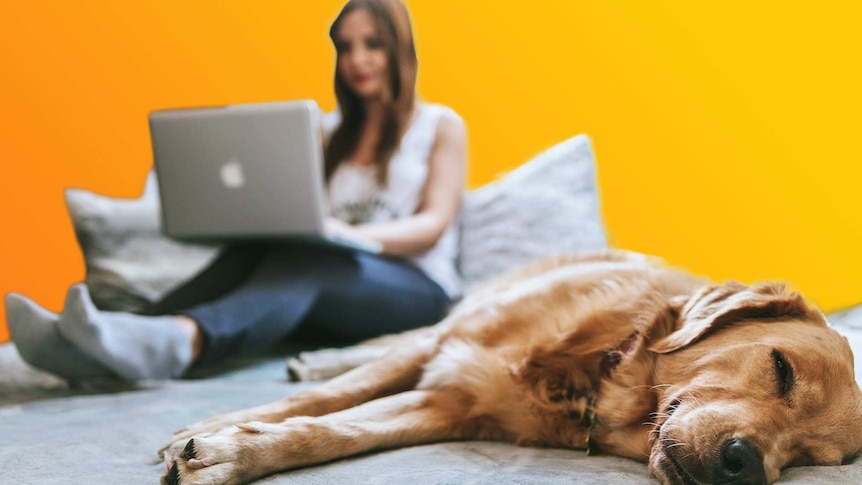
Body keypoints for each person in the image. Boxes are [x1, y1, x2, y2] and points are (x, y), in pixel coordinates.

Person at [5, 0, 466, 381]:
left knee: (309, 260)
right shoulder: (327, 132)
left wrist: (350, 234)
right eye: (345, 48)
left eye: (372, 45)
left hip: (416, 289)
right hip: (333, 274)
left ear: (398, 48)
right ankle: (110, 336)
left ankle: (181, 341)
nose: (357, 61)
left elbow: (433, 224)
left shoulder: (440, 125)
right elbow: (300, 208)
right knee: (267, 250)